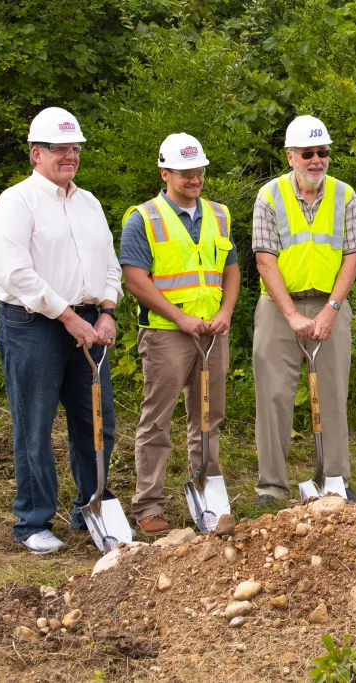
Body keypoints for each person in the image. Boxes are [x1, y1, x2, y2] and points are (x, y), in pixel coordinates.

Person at [0, 107, 122, 554]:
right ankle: (33, 519)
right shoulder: (16, 203)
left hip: (88, 322)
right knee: (35, 424)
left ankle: (91, 505)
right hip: (32, 326)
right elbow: (15, 272)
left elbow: (110, 262)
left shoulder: (89, 202)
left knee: (98, 421)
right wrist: (67, 316)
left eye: (75, 148)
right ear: (36, 153)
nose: (70, 156)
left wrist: (106, 310)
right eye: (60, 148)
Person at [120, 134, 240, 534]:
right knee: (158, 418)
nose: (195, 178)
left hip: (212, 333)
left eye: (199, 170)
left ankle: (206, 491)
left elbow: (231, 269)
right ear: (165, 173)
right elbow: (136, 280)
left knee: (208, 416)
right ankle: (148, 505)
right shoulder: (144, 217)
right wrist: (180, 318)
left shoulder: (219, 214)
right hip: (166, 335)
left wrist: (225, 312)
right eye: (186, 172)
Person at [252, 115, 356, 504]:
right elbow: (265, 260)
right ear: (291, 156)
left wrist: (332, 307)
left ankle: (334, 479)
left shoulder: (345, 195)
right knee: (274, 396)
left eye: (323, 152)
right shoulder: (270, 196)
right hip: (278, 307)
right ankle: (271, 487)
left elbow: (351, 256)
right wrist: (292, 315)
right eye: (308, 153)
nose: (317, 160)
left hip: (330, 303)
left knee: (332, 393)